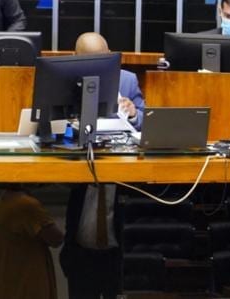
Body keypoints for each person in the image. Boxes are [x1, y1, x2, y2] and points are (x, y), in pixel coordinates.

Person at [59, 32, 145, 299]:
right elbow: (47, 123)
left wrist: (133, 112)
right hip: (82, 166)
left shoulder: (127, 80)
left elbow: (145, 118)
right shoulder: (61, 78)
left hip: (118, 169)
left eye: (104, 58)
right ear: (75, 59)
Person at [0, 184, 64, 299]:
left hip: (9, 274)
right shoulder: (27, 205)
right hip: (28, 278)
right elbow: (56, 238)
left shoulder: (3, 199)